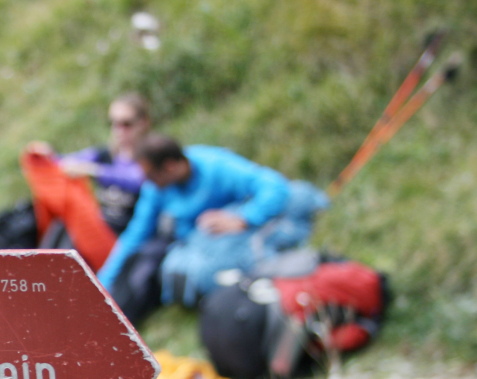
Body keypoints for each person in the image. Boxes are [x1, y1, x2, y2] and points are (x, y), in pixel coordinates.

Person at [97, 134, 327, 320]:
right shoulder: (155, 189)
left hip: (239, 232)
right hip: (197, 244)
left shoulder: (215, 165)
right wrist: (101, 286)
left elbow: (275, 186)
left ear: (169, 167)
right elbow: (134, 236)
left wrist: (244, 218)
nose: (146, 183)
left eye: (150, 175)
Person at [18, 93, 150, 271]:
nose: (119, 130)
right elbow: (67, 163)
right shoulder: (105, 154)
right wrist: (45, 156)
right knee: (61, 226)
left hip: (129, 235)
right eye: (113, 123)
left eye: (126, 124)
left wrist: (95, 171)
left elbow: (138, 179)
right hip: (101, 227)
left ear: (143, 123)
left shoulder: (150, 156)